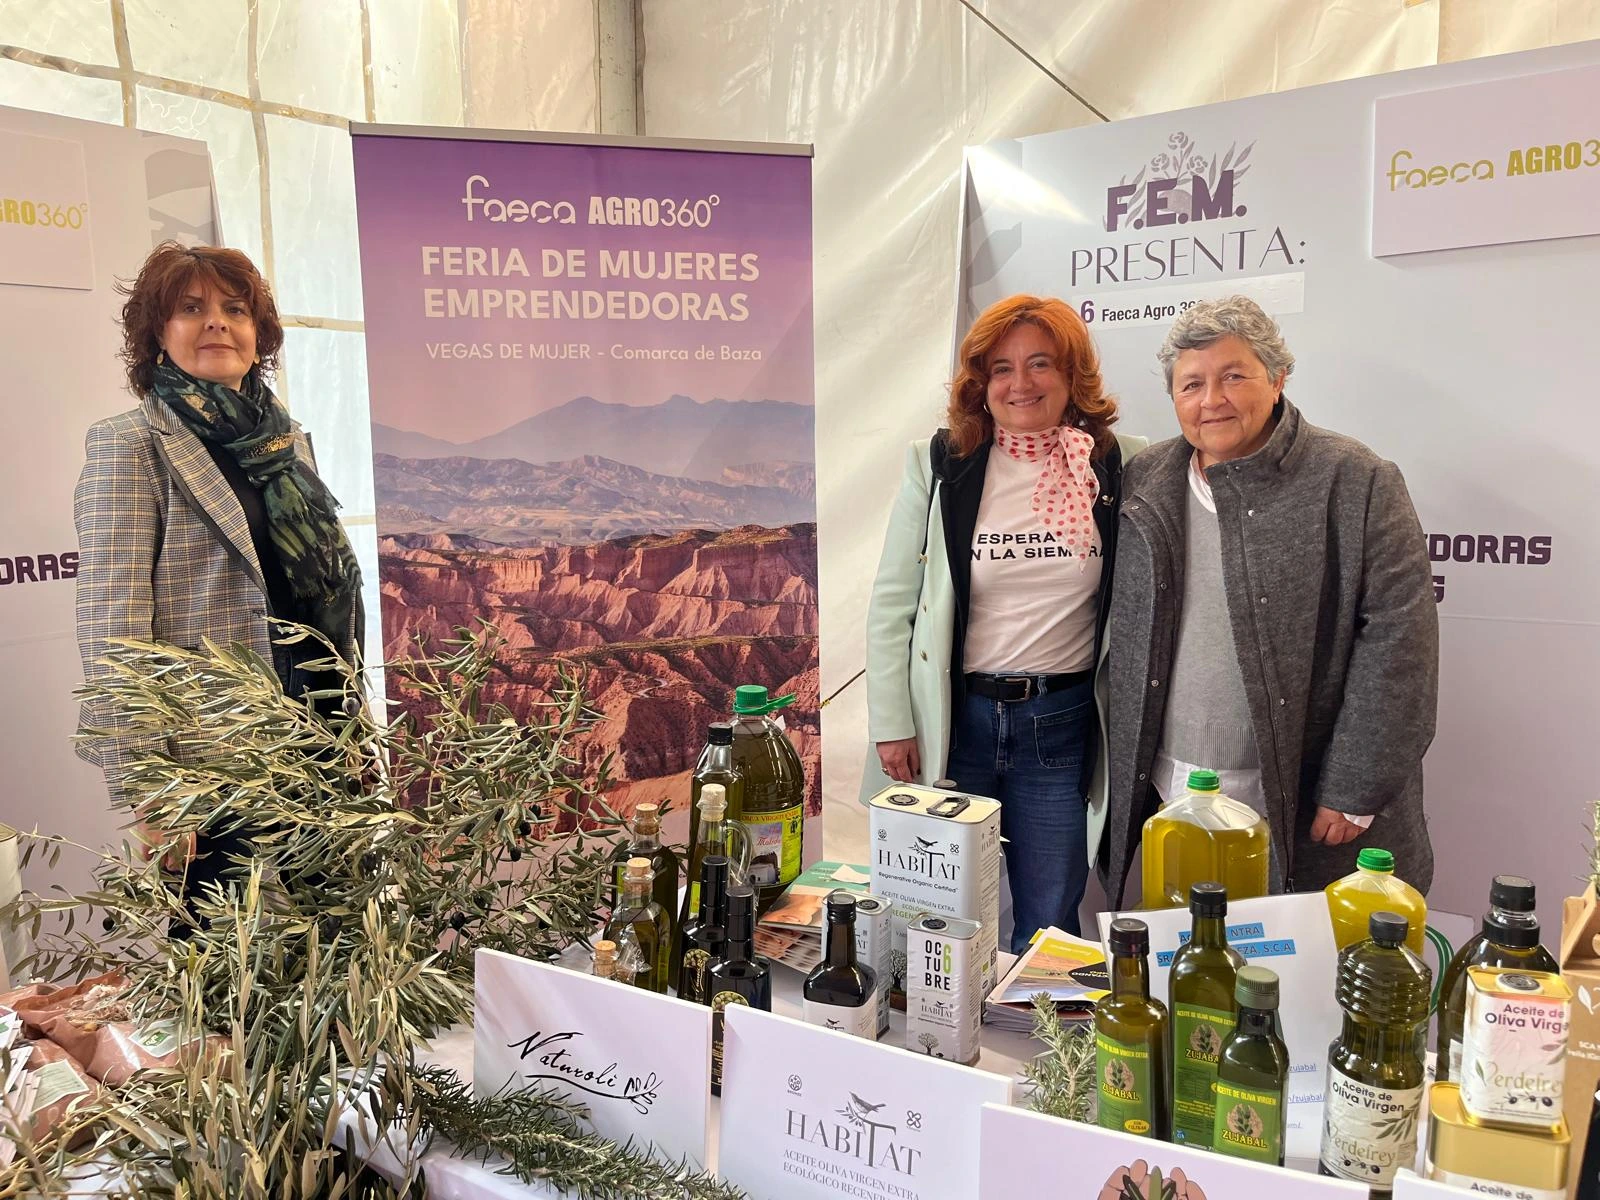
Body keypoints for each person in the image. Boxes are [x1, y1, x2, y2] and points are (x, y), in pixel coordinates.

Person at [1101, 296, 1438, 905]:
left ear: (1278, 378)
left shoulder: (1355, 480)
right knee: (1187, 967)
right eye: (1191, 385)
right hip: (1173, 787)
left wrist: (1355, 786)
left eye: (1234, 376)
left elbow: (1400, 641)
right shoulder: (1146, 477)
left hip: (1303, 794)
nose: (1212, 401)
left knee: (1300, 977)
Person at [74, 242, 363, 879]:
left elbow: (318, 597)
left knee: (336, 947)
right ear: (157, 334)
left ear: (259, 336)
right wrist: (150, 791)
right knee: (227, 959)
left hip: (320, 726)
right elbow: (112, 632)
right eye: (190, 308)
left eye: (236, 309)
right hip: (214, 756)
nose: (216, 322)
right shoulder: (131, 446)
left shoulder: (285, 444)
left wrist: (353, 716)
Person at [864, 295, 1147, 946]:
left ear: (1074, 375)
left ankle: (1038, 1045)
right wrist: (892, 722)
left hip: (1060, 723)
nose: (1021, 383)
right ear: (979, 383)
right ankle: (941, 1040)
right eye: (1001, 368)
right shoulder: (941, 462)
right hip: (953, 719)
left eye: (1041, 363)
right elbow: (893, 603)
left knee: (1048, 918)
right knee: (939, 919)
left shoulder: (1120, 463)